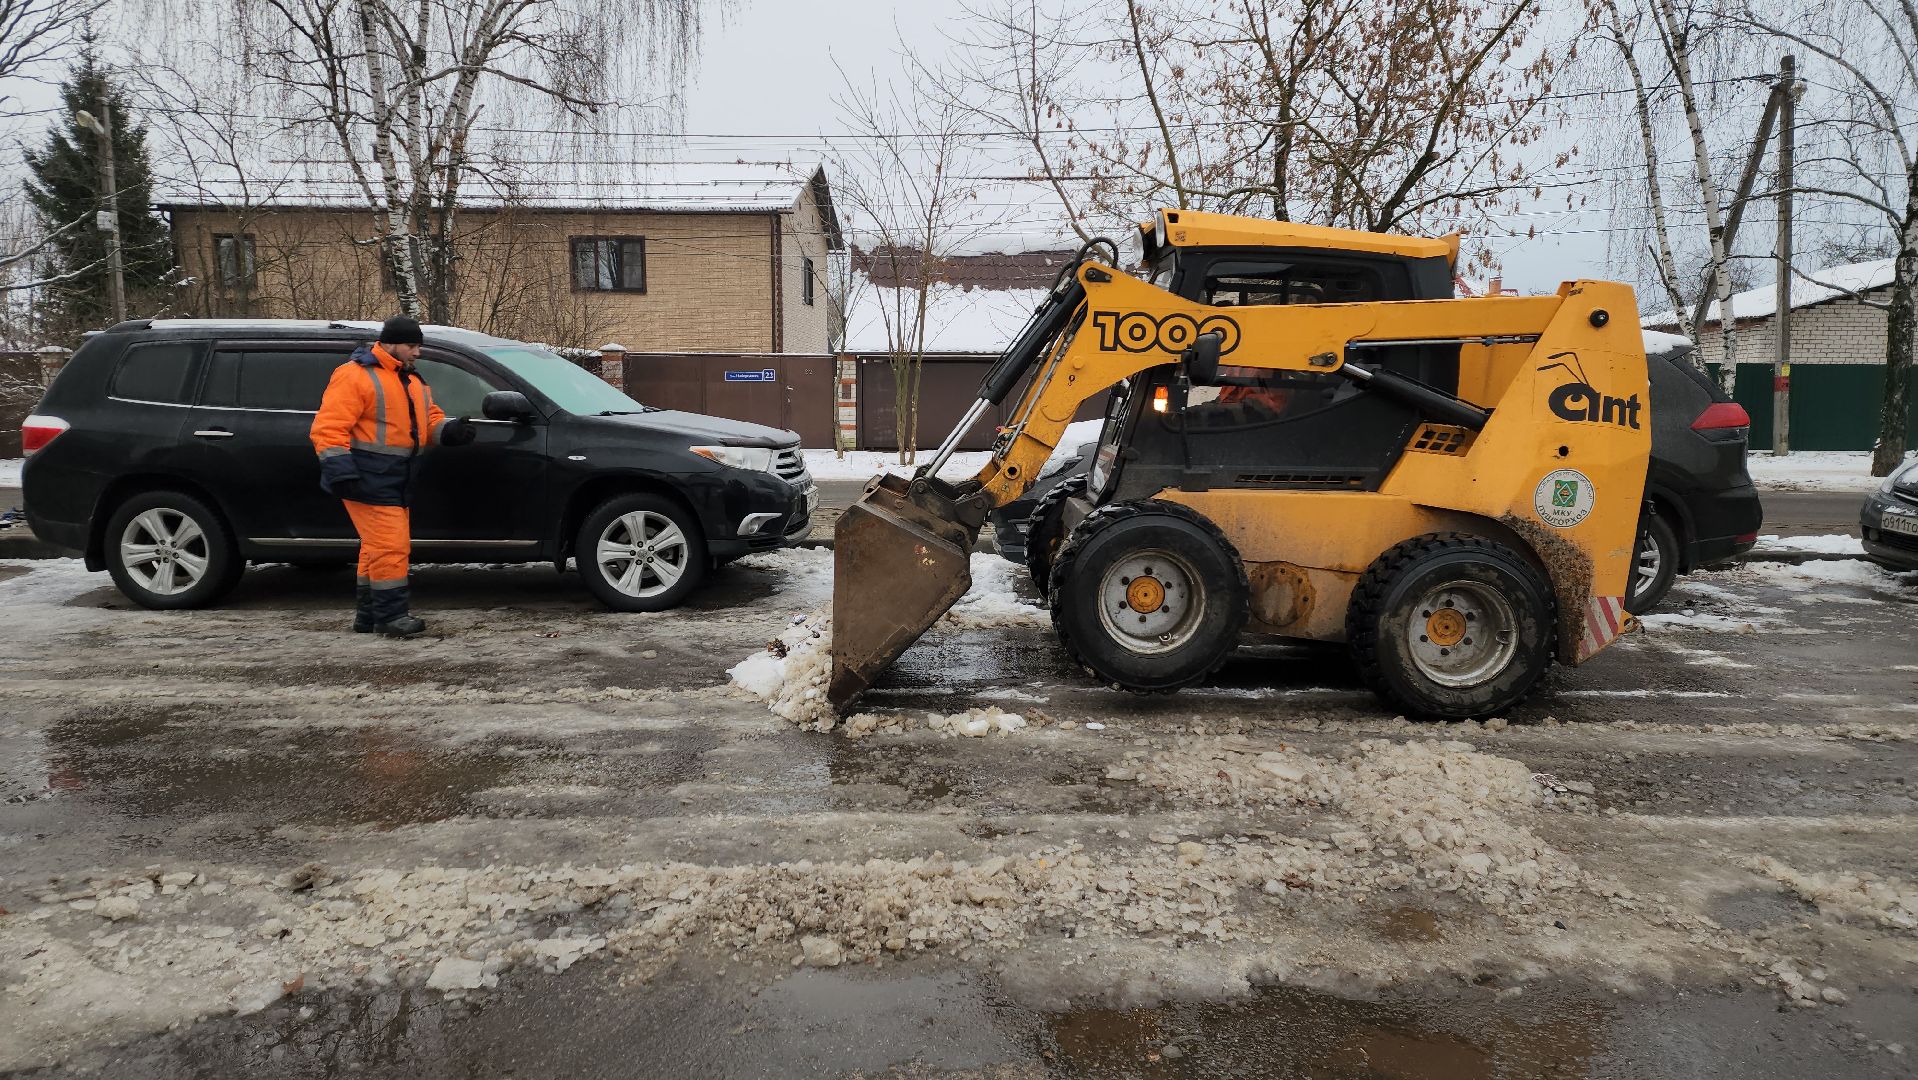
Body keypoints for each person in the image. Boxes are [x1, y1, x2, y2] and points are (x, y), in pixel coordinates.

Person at [309, 317, 473, 636]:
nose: (418, 352)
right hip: (367, 478)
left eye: (419, 346)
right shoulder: (355, 377)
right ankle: (391, 616)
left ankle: (370, 616)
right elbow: (328, 429)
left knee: (376, 548)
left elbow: (427, 422)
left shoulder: (411, 381)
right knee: (390, 547)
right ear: (390, 344)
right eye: (412, 346)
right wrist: (341, 471)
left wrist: (451, 432)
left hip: (394, 478)